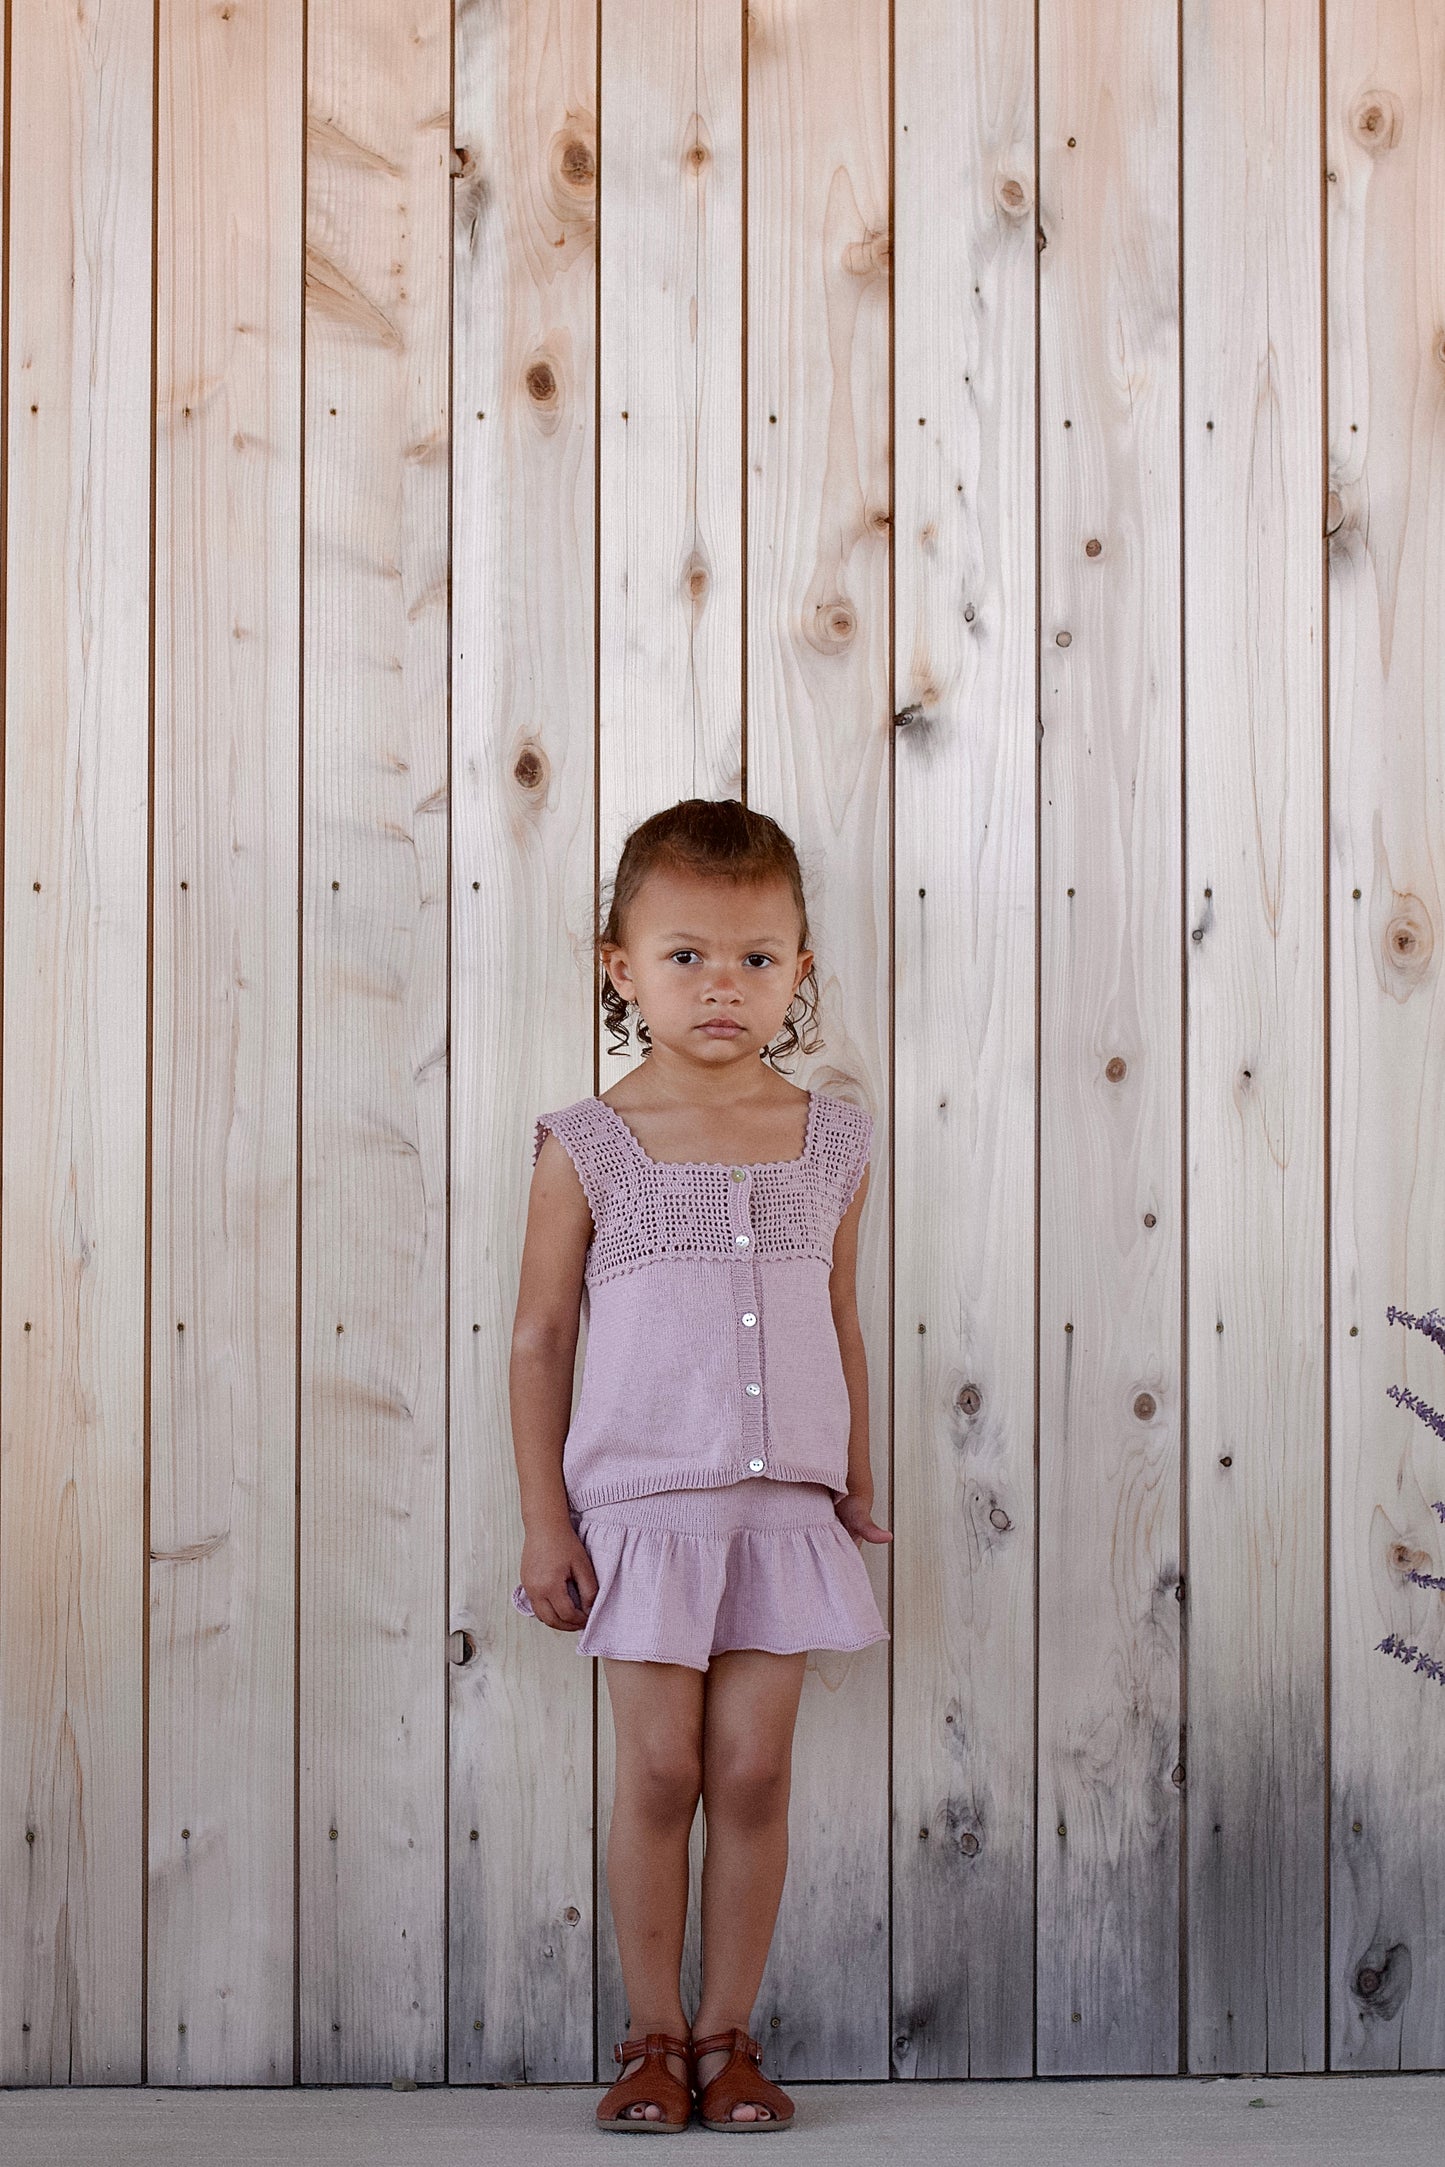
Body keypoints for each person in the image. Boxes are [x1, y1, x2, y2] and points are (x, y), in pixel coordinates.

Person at [509, 796, 889, 2133]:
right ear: (620, 968)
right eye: (684, 956)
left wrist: (856, 1477)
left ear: (798, 971)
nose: (720, 985)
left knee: (750, 1773)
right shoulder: (587, 1143)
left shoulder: (830, 1137)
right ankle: (650, 2036)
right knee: (660, 1770)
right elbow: (541, 1337)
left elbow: (837, 1321)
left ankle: (731, 2036)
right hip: (641, 1513)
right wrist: (542, 1522)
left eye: (752, 958)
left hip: (783, 1513)